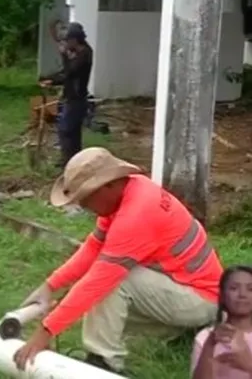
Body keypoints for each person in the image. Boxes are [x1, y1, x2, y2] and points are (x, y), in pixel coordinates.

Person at [13, 147, 222, 374]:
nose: (82, 206)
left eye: (85, 197)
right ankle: (184, 331)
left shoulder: (137, 214)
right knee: (99, 296)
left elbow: (100, 279)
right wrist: (50, 285)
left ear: (108, 185)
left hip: (203, 299)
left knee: (113, 282)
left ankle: (105, 364)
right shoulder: (130, 191)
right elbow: (94, 247)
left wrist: (46, 331)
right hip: (184, 288)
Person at [39, 21, 93, 169]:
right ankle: (71, 160)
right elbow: (65, 73)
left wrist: (63, 55)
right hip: (71, 96)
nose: (65, 43)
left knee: (66, 130)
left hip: (76, 98)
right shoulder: (79, 53)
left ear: (75, 39)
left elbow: (69, 72)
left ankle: (69, 161)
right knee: (72, 132)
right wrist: (50, 79)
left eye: (67, 40)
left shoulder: (85, 54)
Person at [192, 266, 252, 378]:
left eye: (250, 289)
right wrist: (209, 345)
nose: (242, 295)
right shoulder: (204, 338)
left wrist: (248, 365)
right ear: (222, 296)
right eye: (234, 288)